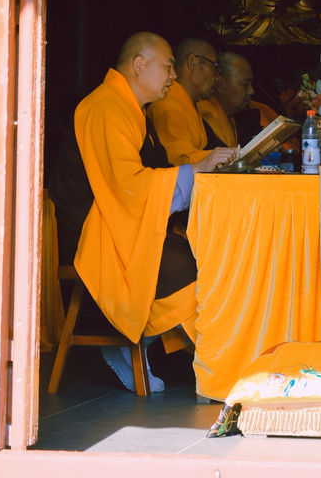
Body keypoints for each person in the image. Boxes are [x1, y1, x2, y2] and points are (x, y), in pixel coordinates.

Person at [73, 31, 231, 393]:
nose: (174, 77)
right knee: (186, 265)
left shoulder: (129, 108)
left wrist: (200, 168)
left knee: (201, 255)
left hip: (120, 220)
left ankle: (150, 347)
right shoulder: (105, 106)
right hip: (96, 230)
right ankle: (131, 346)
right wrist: (196, 170)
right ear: (139, 65)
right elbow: (127, 185)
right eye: (169, 66)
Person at [147, 37, 238, 167]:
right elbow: (178, 162)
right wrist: (217, 157)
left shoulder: (189, 103)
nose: (218, 77)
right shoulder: (169, 104)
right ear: (192, 63)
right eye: (215, 66)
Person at [197, 51, 255, 148]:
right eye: (245, 84)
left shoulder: (229, 116)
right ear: (220, 83)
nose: (251, 91)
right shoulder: (205, 116)